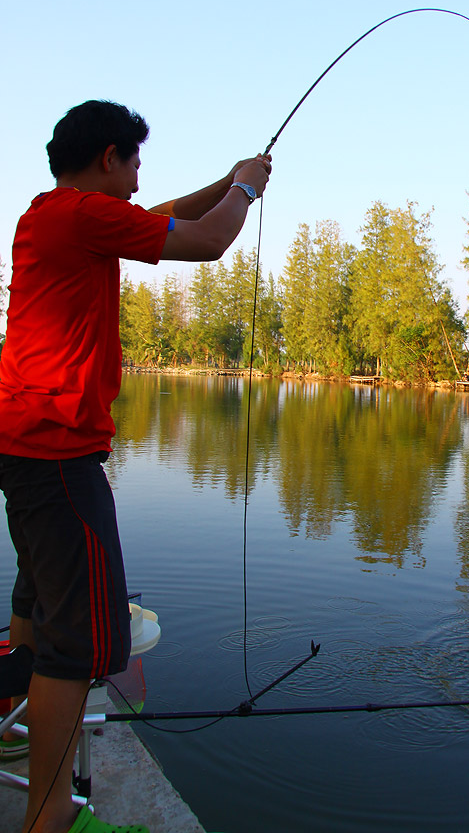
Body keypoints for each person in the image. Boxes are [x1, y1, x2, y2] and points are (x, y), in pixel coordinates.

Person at [0, 100, 271, 833]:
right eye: (135, 163)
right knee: (82, 644)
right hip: (58, 453)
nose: (137, 179)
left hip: (27, 446)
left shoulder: (52, 214)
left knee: (40, 603)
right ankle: (50, 821)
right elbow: (211, 242)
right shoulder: (84, 218)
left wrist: (228, 178)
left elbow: (162, 213)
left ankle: (12, 727)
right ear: (109, 157)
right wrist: (242, 192)